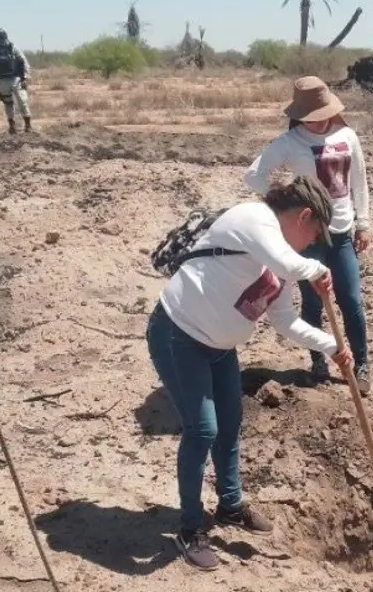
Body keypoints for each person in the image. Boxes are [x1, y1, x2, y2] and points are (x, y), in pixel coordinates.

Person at [146, 175, 353, 572]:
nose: (312, 244)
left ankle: (230, 504)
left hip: (220, 348)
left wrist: (332, 347)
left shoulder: (285, 261)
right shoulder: (253, 217)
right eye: (313, 234)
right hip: (179, 334)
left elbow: (286, 321)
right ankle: (190, 529)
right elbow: (288, 261)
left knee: (230, 423)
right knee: (202, 429)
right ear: (304, 215)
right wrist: (314, 268)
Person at [242, 76, 373, 394]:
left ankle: (362, 363)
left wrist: (363, 222)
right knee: (313, 303)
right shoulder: (291, 142)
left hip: (342, 234)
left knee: (351, 300)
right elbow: (253, 174)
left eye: (323, 113)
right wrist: (286, 200)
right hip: (310, 237)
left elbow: (360, 181)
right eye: (312, 116)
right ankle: (318, 362)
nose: (319, 121)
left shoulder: (347, 135)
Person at [0, 27, 32, 134]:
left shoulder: (13, 48)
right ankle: (12, 126)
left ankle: (28, 125)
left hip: (16, 78)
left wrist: (26, 77)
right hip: (2, 80)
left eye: (0, 38)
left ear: (5, 37)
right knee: (7, 102)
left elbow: (23, 62)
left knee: (22, 101)